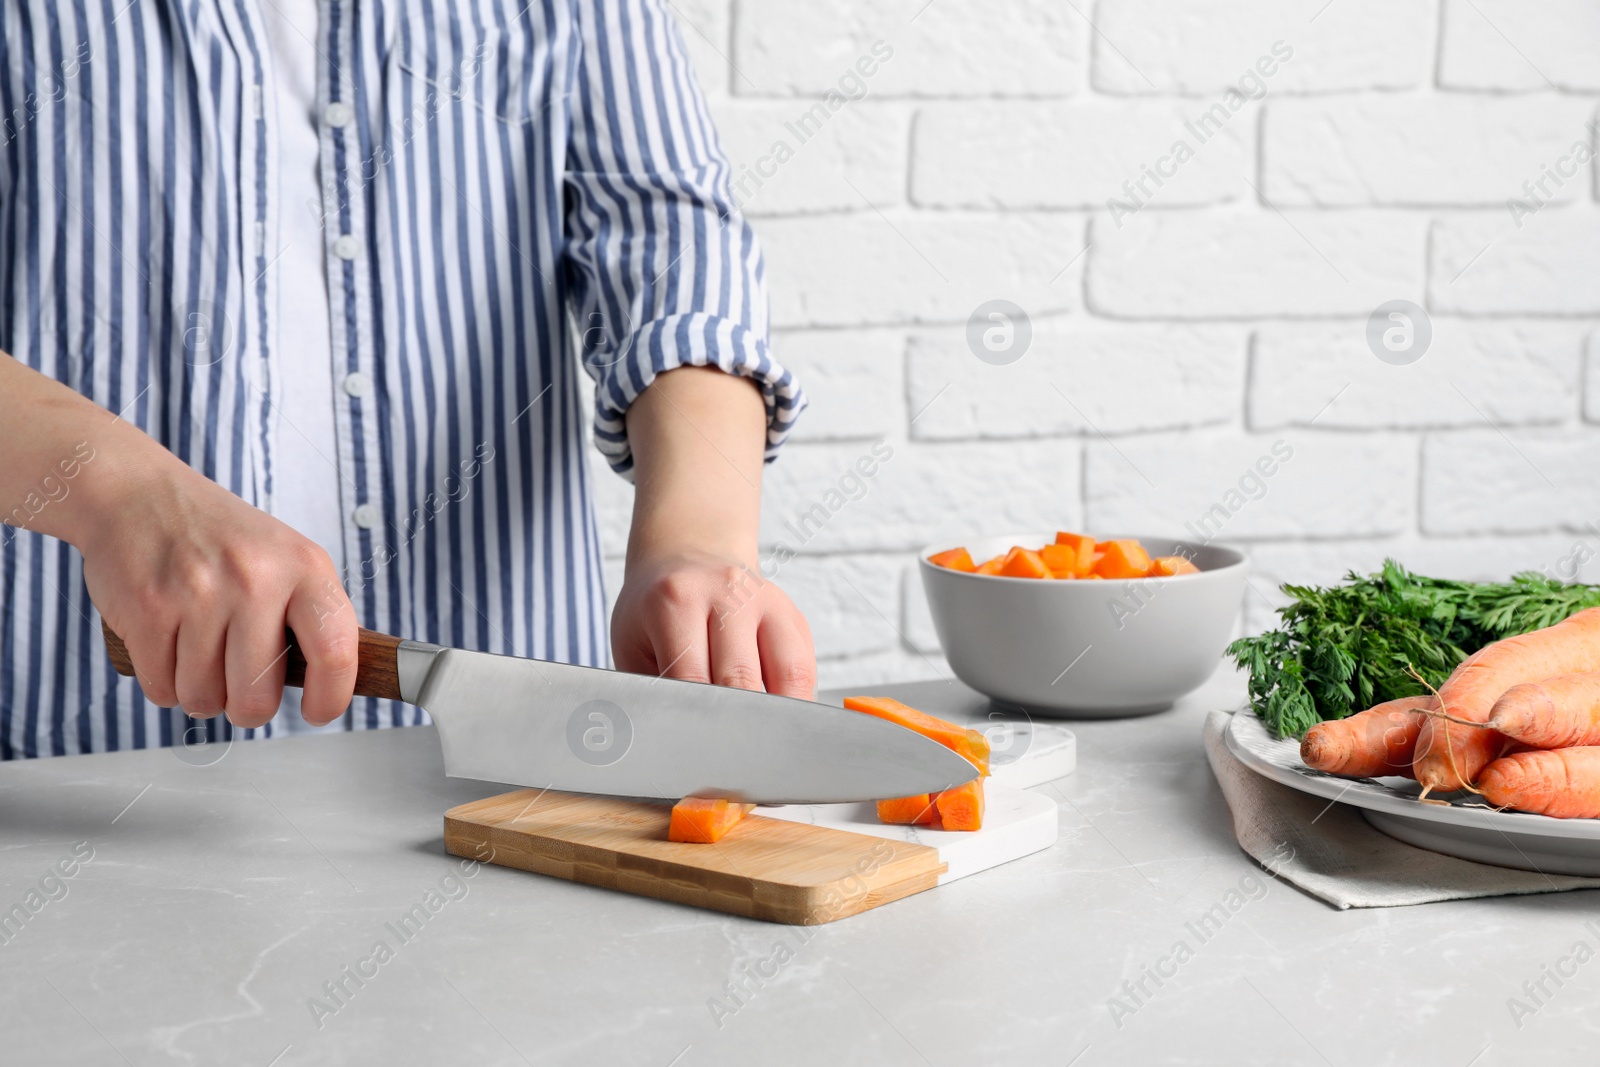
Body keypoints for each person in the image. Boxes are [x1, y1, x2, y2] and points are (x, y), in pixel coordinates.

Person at [0, 0, 814, 760]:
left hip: (512, 768)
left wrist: (696, 538)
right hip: (87, 766)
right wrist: (115, 488)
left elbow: (667, 230)